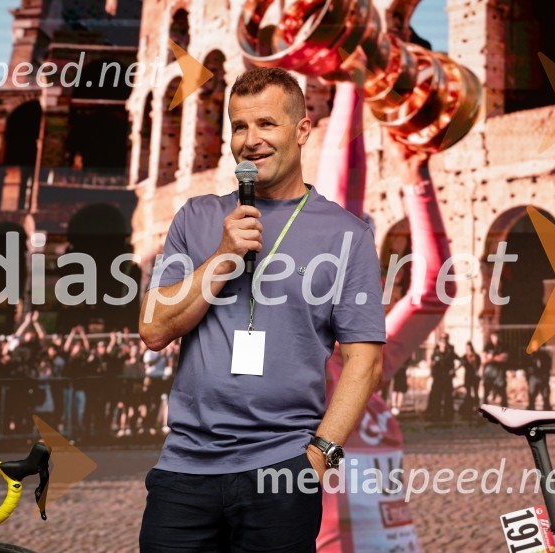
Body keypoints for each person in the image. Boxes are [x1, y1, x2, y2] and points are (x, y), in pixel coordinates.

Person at [138, 67, 385, 552]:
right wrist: (225, 254)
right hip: (185, 469)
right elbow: (153, 329)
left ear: (302, 130)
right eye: (239, 126)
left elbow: (365, 359)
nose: (251, 140)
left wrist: (319, 457)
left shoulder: (346, 235)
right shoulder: (197, 217)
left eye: (267, 124)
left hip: (284, 473)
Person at [426, 333, 456, 421]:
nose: (443, 344)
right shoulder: (436, 353)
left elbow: (454, 362)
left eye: (445, 341)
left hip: (447, 377)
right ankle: (435, 415)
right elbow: (431, 363)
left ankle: (448, 416)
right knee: (436, 397)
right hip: (438, 377)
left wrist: (453, 370)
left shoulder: (450, 352)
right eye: (442, 341)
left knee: (448, 397)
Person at [483, 331, 509, 407]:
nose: (496, 338)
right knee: (486, 392)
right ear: (491, 337)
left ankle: (505, 411)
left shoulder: (503, 346)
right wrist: (497, 357)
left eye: (497, 336)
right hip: (489, 371)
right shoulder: (488, 346)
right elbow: (484, 359)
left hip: (499, 372)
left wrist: (491, 358)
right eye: (494, 337)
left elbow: (504, 358)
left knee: (502, 392)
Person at [525, 339, 552, 410]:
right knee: (532, 395)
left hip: (543, 377)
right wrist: (529, 377)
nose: (536, 347)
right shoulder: (529, 356)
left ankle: (547, 410)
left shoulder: (545, 355)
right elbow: (527, 367)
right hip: (533, 377)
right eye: (534, 345)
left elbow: (548, 366)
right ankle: (531, 409)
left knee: (546, 396)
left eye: (537, 345)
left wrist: (546, 376)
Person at [460, 341, 481, 416]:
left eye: (469, 348)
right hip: (468, 376)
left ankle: (477, 408)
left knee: (476, 393)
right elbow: (462, 364)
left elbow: (478, 365)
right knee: (468, 393)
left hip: (475, 377)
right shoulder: (464, 357)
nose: (468, 350)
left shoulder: (476, 356)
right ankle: (468, 409)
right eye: (466, 348)